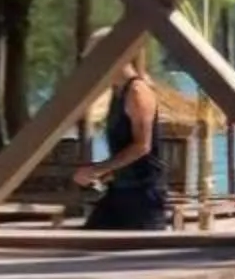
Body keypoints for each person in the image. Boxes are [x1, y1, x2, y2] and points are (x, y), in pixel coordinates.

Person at [73, 51, 171, 231]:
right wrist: (104, 172)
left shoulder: (137, 92)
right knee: (87, 243)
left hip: (143, 192)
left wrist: (97, 169)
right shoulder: (116, 91)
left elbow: (142, 146)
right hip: (119, 189)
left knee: (141, 255)